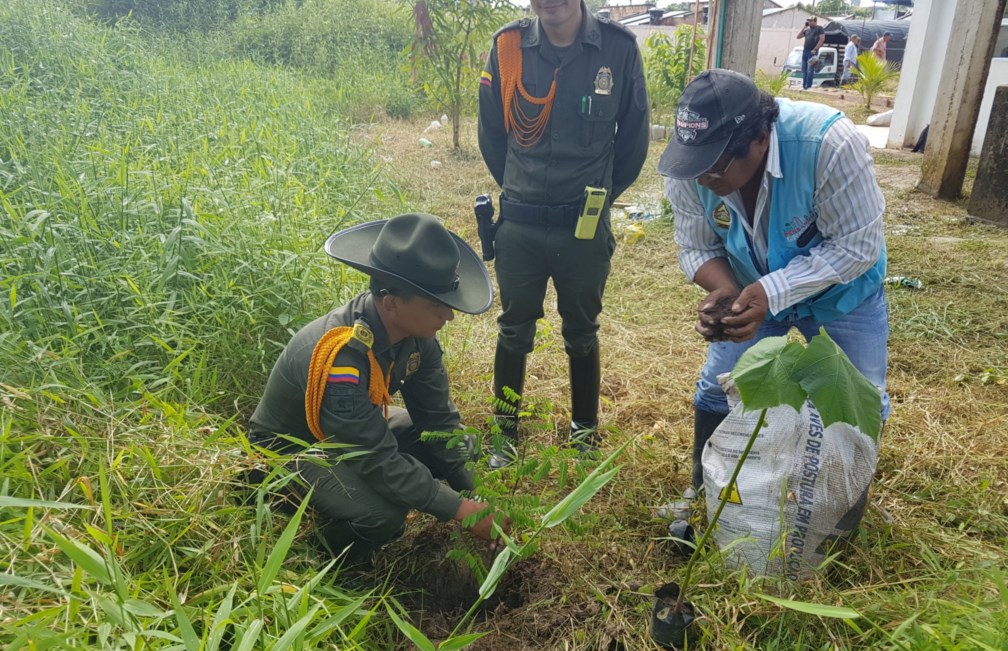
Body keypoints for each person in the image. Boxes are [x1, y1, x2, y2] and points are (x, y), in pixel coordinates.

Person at [657, 69, 890, 502]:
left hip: (844, 293)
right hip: (753, 292)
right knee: (718, 386)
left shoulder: (828, 145)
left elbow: (857, 246)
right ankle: (704, 493)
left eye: (715, 166)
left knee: (859, 396)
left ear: (761, 139)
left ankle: (841, 506)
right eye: (695, 165)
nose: (703, 178)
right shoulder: (691, 167)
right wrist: (725, 291)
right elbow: (694, 245)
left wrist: (771, 292)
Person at [248, 213, 509, 562]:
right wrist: (460, 510)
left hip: (351, 434)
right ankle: (318, 560)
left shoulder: (418, 338)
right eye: (436, 304)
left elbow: (439, 422)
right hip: (289, 453)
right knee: (382, 516)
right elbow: (378, 460)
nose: (449, 315)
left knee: (458, 443)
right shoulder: (340, 358)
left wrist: (480, 495)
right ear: (391, 303)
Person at [477, 0, 649, 467]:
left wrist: (597, 199)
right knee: (513, 330)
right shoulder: (508, 47)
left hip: (583, 228)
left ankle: (583, 435)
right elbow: (492, 134)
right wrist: (522, 189)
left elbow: (633, 142)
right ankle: (505, 434)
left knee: (582, 331)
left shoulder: (618, 50)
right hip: (521, 225)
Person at [796, 16, 825, 90]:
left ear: (815, 21)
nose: (809, 22)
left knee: (810, 69)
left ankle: (808, 86)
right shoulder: (807, 29)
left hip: (812, 52)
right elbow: (798, 36)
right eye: (808, 21)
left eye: (810, 21)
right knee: (804, 69)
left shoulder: (819, 28)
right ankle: (804, 85)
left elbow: (822, 39)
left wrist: (815, 49)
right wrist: (804, 27)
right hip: (805, 51)